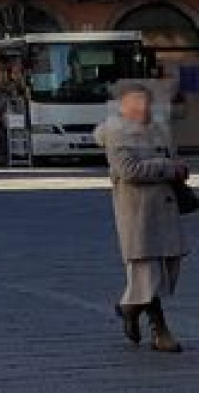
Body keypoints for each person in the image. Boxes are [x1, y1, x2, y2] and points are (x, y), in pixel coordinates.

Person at [94, 82, 190, 352]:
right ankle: (161, 332)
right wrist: (169, 168)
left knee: (167, 272)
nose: (142, 106)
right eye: (134, 101)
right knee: (149, 276)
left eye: (145, 101)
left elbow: (173, 160)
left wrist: (179, 169)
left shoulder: (159, 130)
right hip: (139, 215)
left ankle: (129, 308)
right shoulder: (116, 133)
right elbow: (129, 170)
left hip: (166, 212)